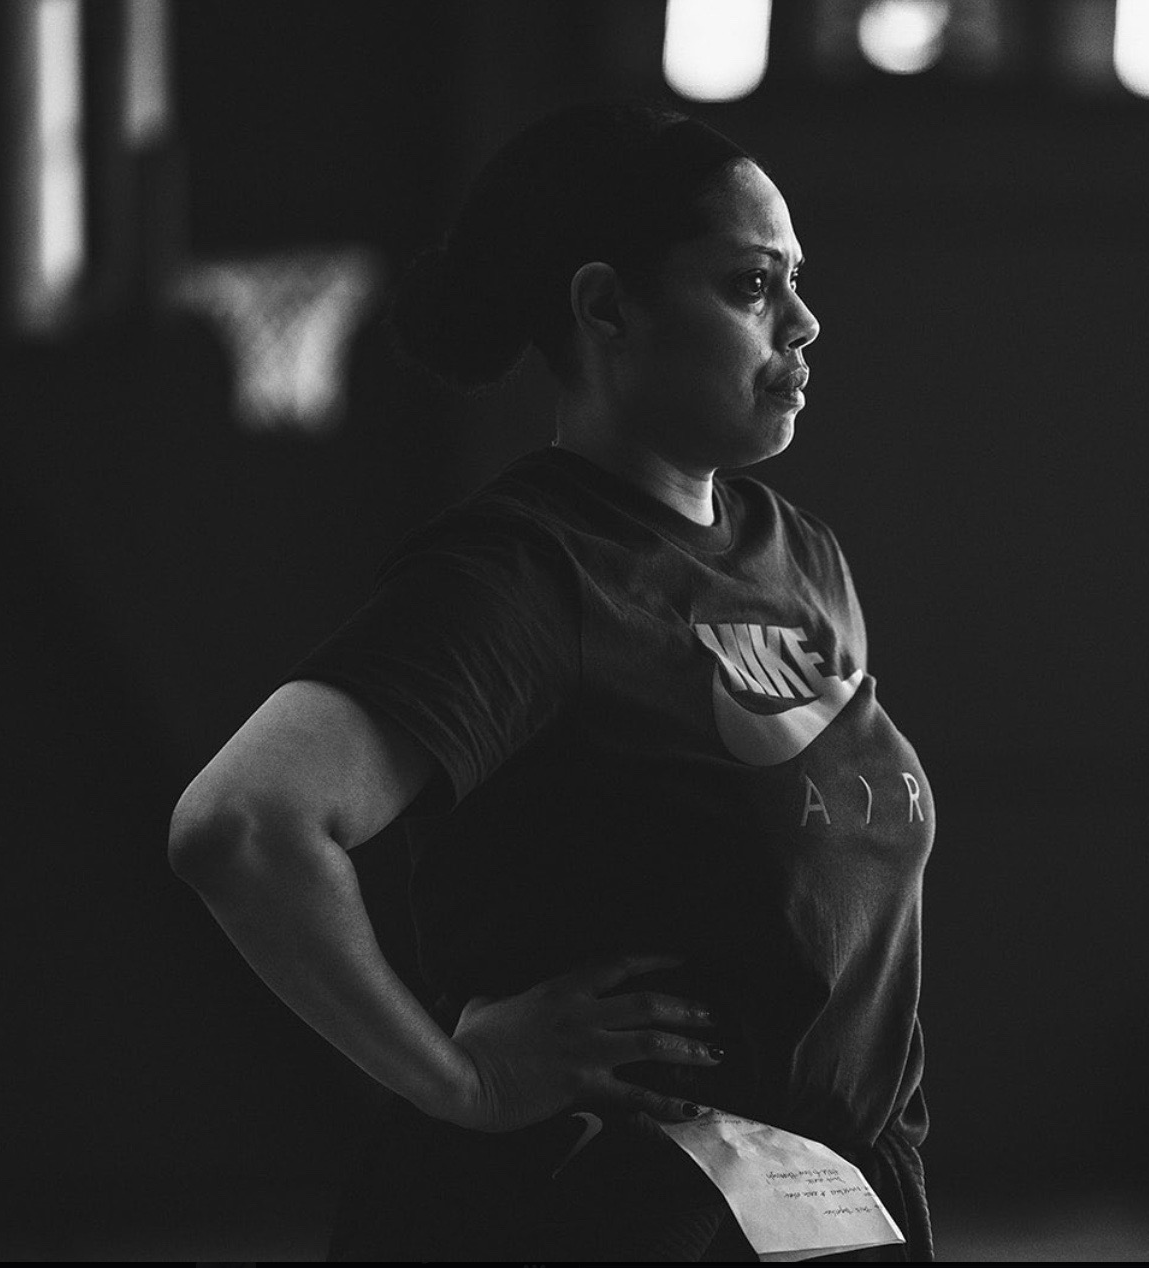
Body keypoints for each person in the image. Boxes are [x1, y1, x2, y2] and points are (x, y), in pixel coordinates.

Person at [169, 101, 935, 1262]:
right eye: (749, 285)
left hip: (826, 1213)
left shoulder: (802, 558)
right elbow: (240, 824)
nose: (802, 320)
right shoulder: (531, 572)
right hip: (593, 1210)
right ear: (606, 306)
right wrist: (461, 1079)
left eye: (796, 280)